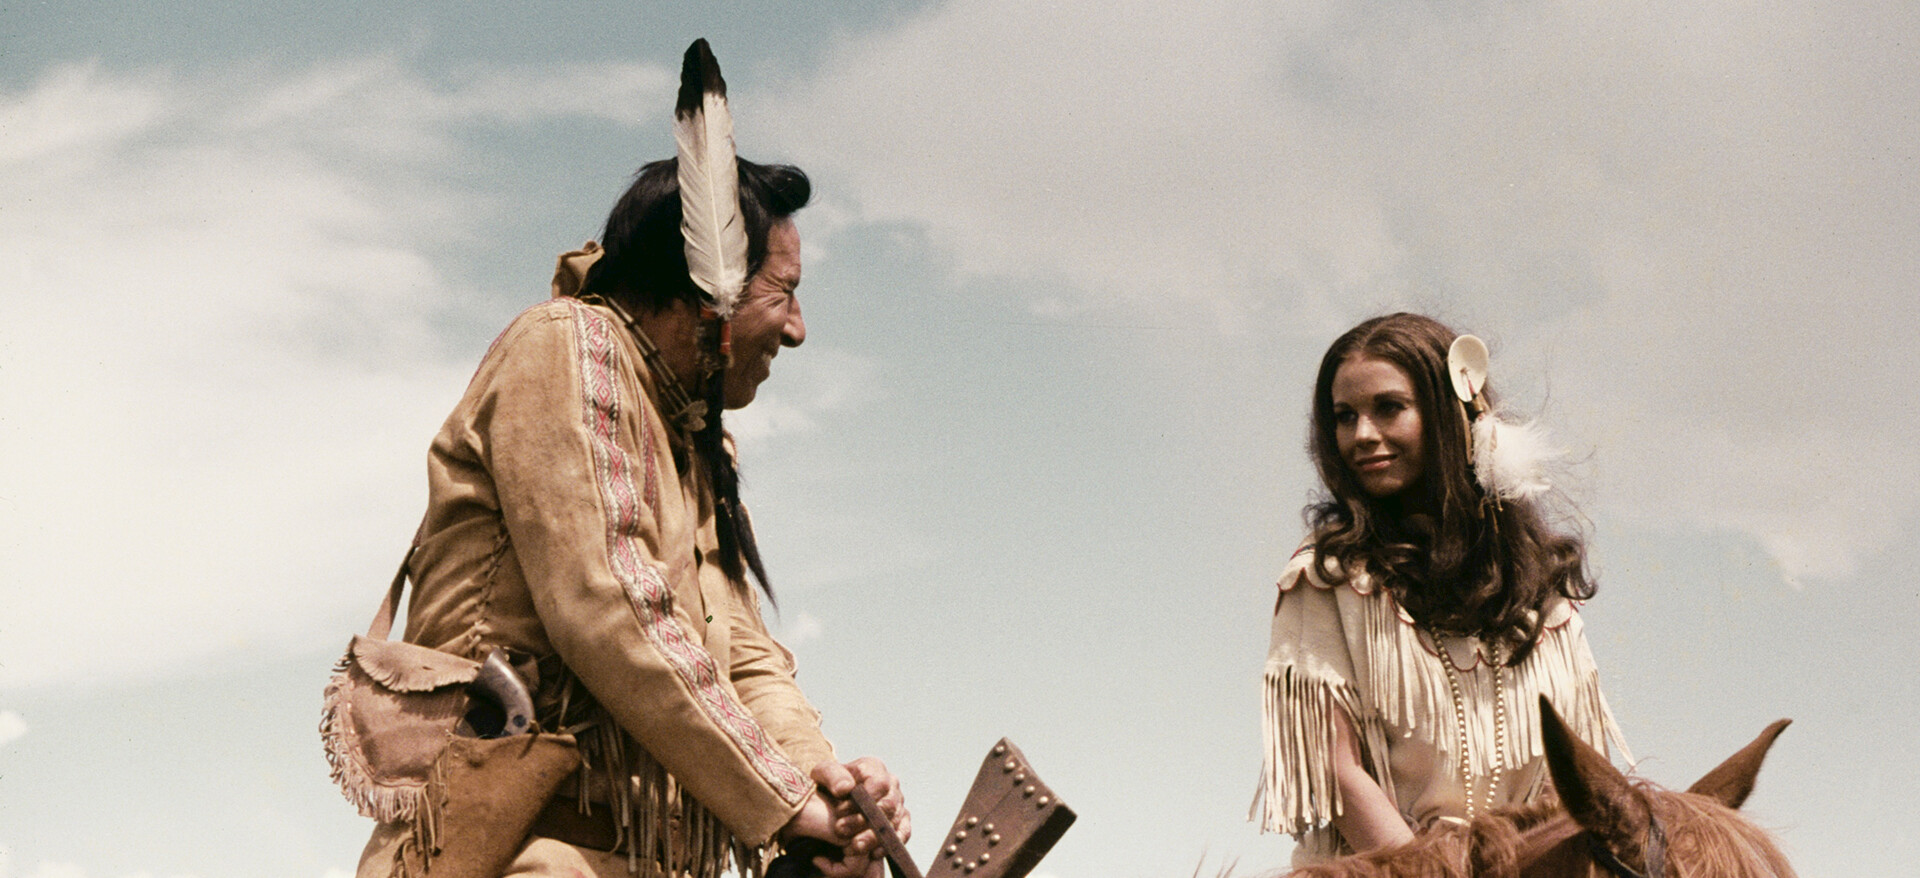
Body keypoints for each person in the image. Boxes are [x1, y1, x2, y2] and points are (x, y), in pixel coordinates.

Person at [353, 43, 906, 878]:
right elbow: (610, 605)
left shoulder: (695, 441)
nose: (797, 329)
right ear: (711, 291)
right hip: (514, 852)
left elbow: (742, 653)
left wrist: (824, 783)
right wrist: (784, 798)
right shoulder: (566, 350)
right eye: (783, 293)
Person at [1253, 313, 1628, 864]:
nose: (1362, 435)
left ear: (1448, 414)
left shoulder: (1543, 594)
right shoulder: (1326, 579)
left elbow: (1575, 781)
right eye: (1344, 416)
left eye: (1388, 408)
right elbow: (1336, 768)